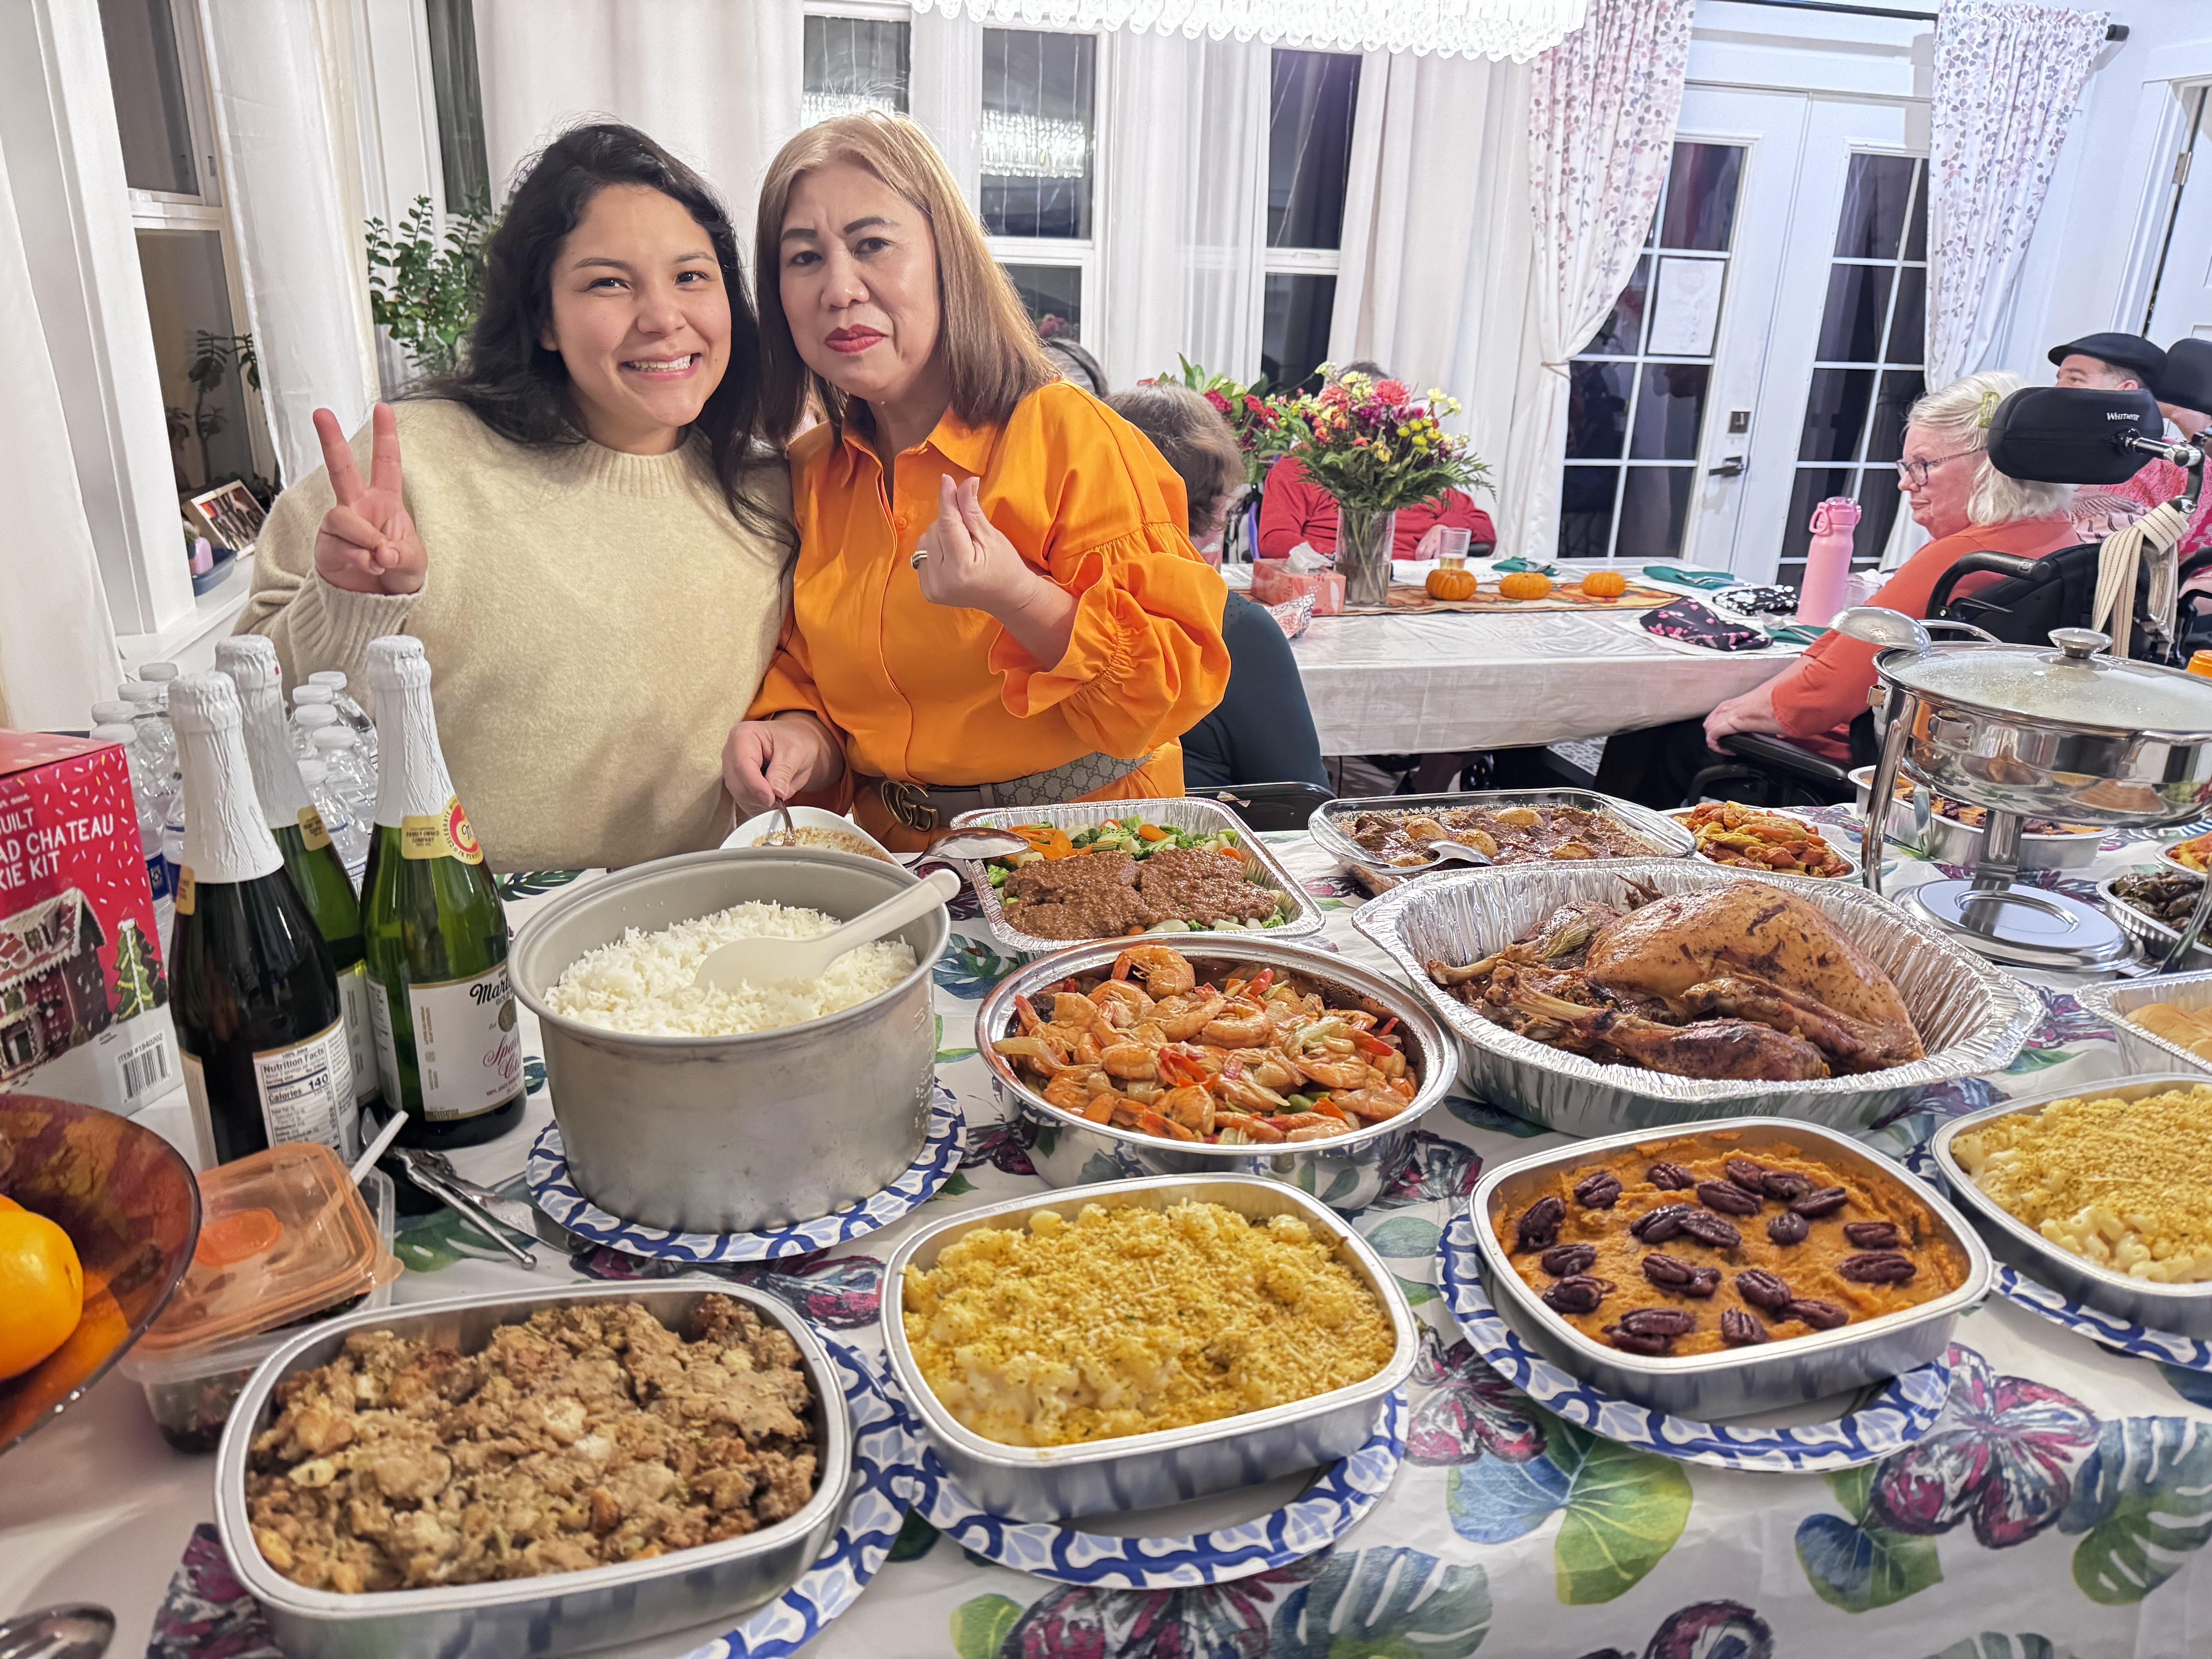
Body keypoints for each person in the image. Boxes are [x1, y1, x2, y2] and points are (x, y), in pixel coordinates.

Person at [237, 125, 792, 872]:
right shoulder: (412, 465)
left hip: (696, 937)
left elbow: (815, 690)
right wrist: (343, 603)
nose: (664, 317)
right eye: (608, 282)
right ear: (542, 319)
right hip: (461, 935)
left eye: (692, 276)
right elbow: (243, 719)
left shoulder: (771, 496)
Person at [720, 114, 1229, 848]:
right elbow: (816, 675)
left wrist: (1016, 595)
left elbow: (1163, 694)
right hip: (891, 854)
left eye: (872, 245)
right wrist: (798, 738)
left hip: (1087, 846)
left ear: (947, 259)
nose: (838, 288)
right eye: (803, 258)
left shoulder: (1072, 437)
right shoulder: (811, 472)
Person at [1595, 371, 2076, 808]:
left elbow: (1819, 698)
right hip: (1975, 755)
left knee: (1655, 729)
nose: (1907, 485)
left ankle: (1611, 855)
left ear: (1989, 464)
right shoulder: (2063, 540)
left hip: (1870, 761)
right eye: (1906, 468)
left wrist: (1732, 713)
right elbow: (1846, 650)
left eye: (1924, 465)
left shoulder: (1961, 558)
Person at [1106, 383, 1328, 790]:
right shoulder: (1232, 626)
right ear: (1214, 502)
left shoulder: (1027, 594)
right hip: (1178, 841)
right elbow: (1300, 797)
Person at [1256, 361, 1497, 561]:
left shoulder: (1414, 464)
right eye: (1363, 411)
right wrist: (1331, 562)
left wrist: (1446, 528)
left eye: (1383, 414)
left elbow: (1484, 530)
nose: (1373, 423)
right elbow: (1275, 540)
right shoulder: (1303, 463)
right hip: (1329, 578)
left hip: (1416, 588)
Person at [2049, 331, 2171, 538]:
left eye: (2075, 379)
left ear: (2126, 391)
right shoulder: (2038, 448)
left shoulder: (2171, 466)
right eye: (2060, 379)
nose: (2057, 390)